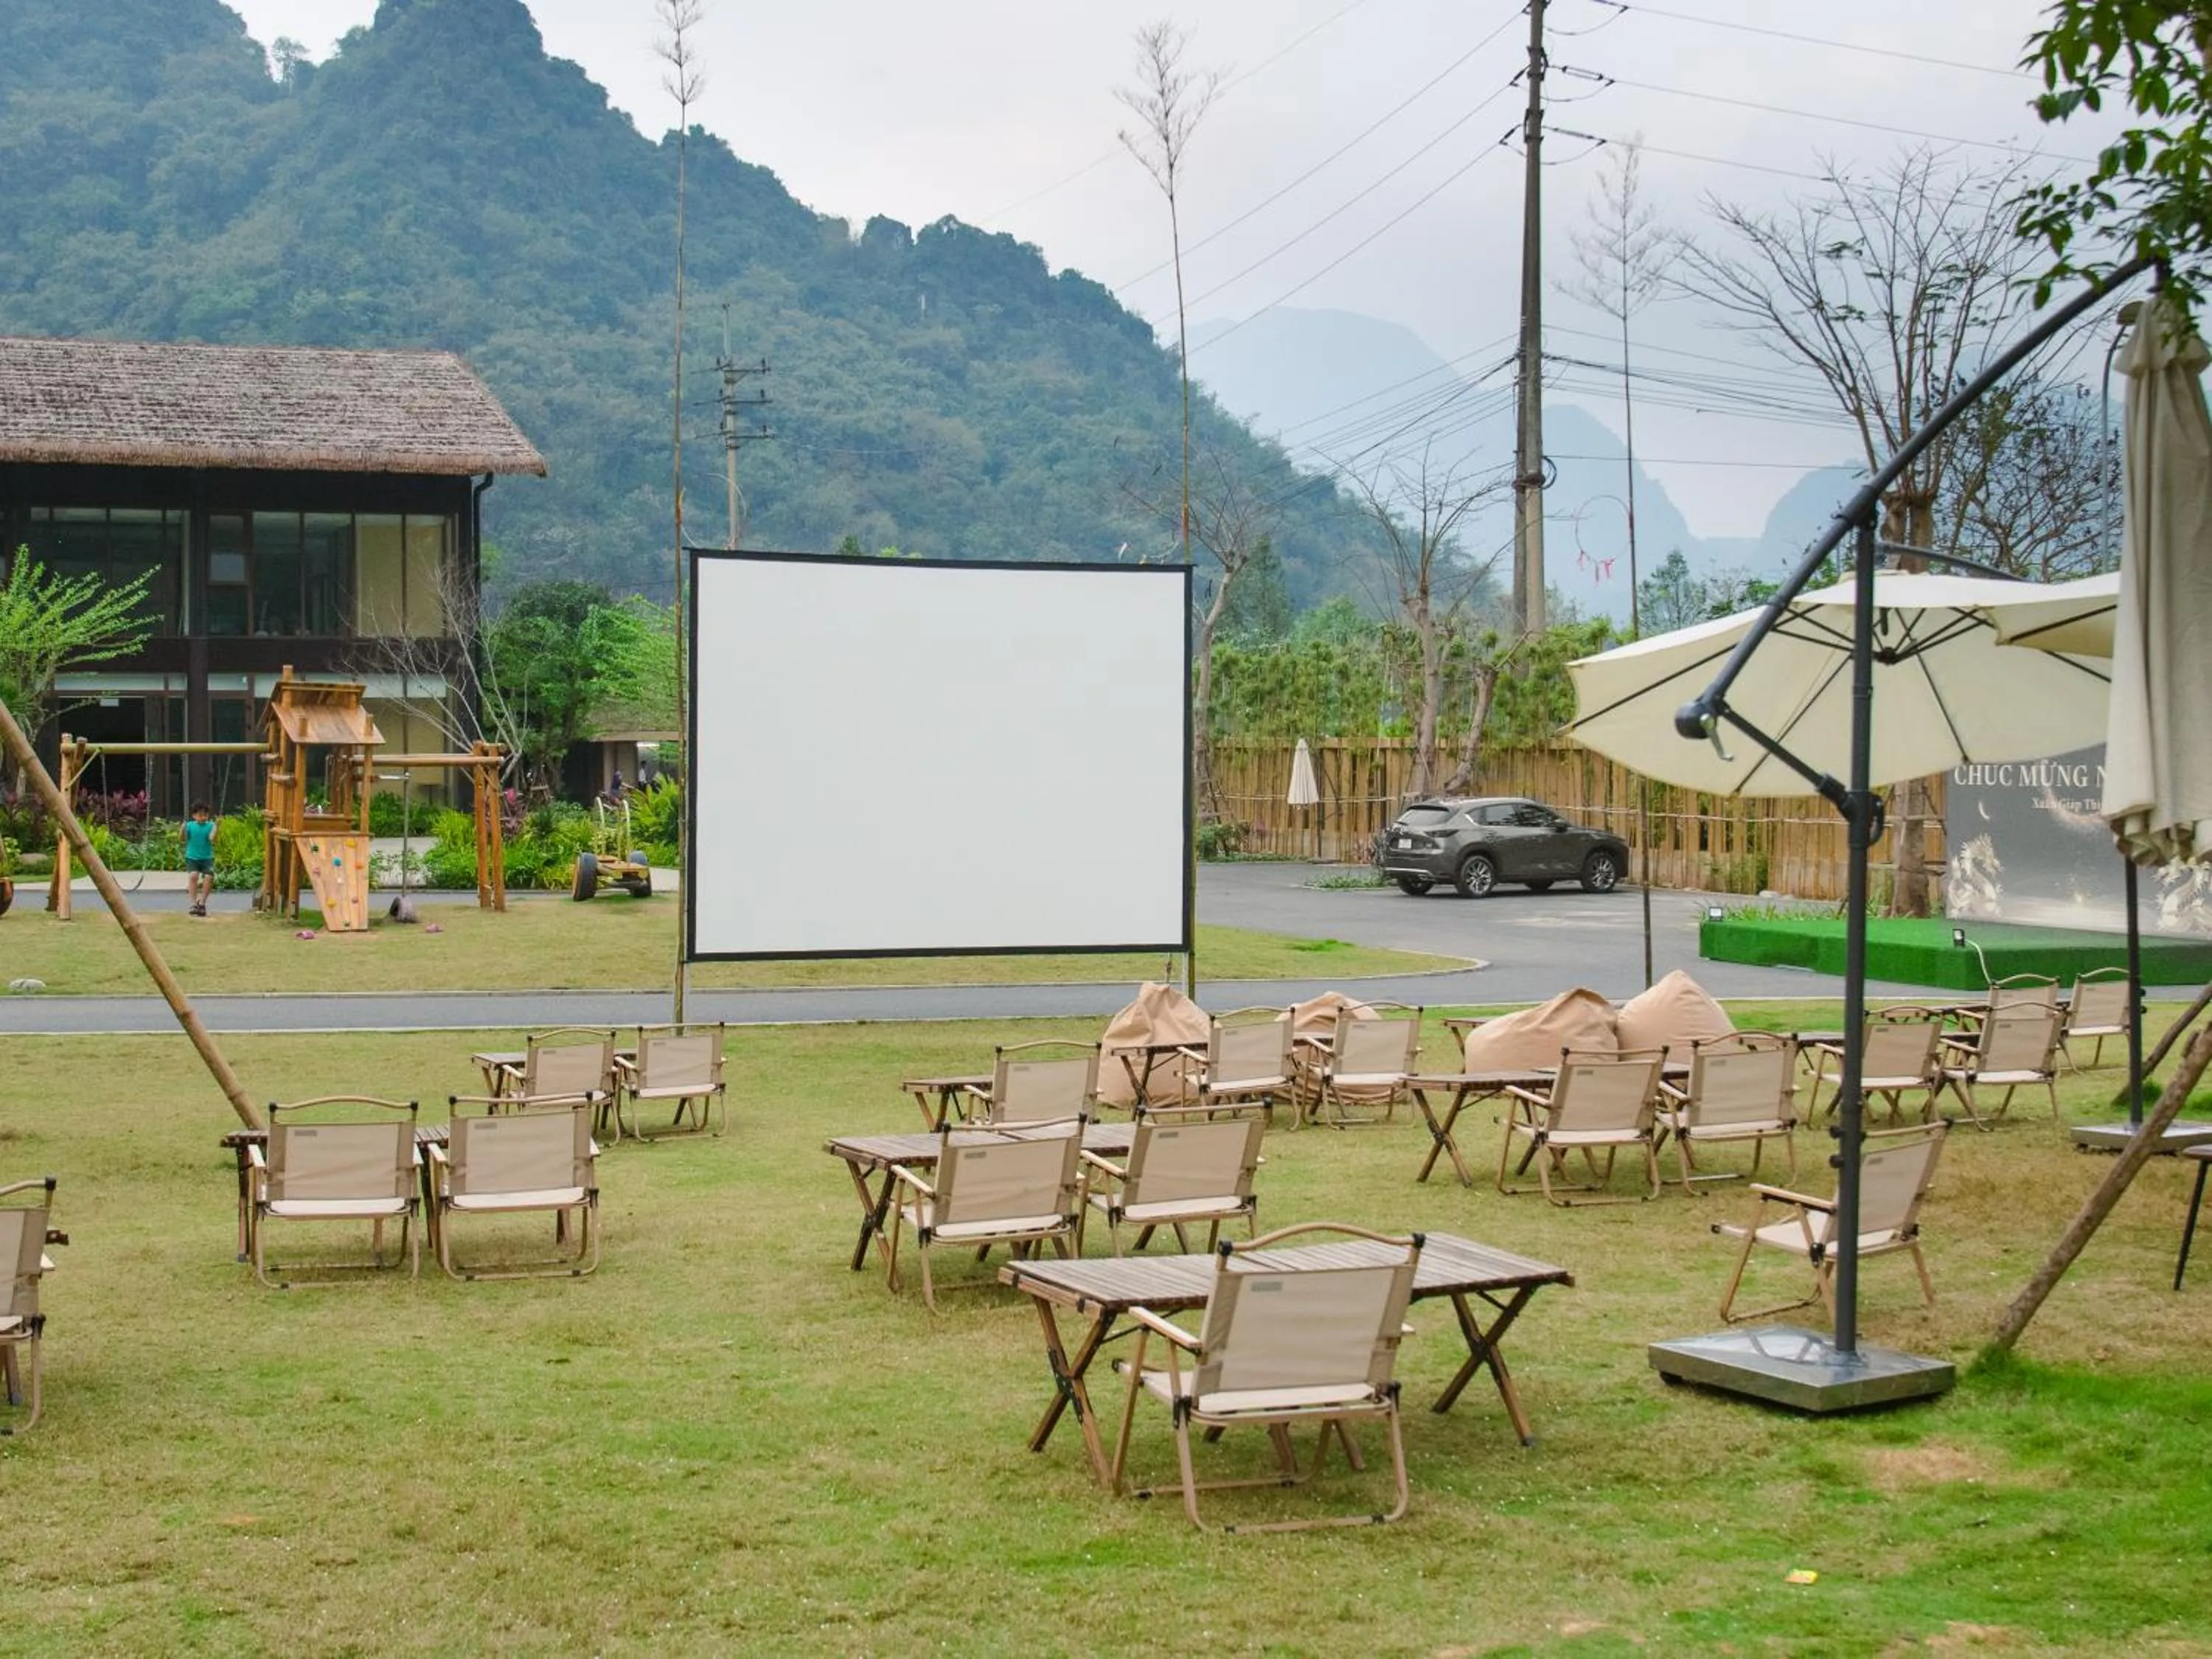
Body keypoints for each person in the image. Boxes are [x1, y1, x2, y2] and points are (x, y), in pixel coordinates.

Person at [180, 801, 218, 917]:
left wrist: (217, 828)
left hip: (207, 858)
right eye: (200, 815)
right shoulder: (190, 825)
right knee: (193, 876)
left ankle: (202, 904)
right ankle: (193, 904)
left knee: (209, 877)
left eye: (205, 815)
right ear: (194, 816)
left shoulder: (211, 825)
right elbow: (183, 839)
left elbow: (212, 839)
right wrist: (182, 829)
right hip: (192, 857)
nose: (203, 818)